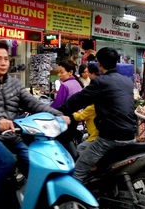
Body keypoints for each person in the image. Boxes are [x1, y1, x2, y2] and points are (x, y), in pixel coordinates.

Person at [0, 41, 67, 209]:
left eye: (6, 59)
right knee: (7, 162)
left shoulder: (15, 84)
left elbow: (33, 103)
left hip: (12, 136)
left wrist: (59, 115)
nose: (3, 63)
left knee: (36, 164)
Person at [59, 47, 137, 183]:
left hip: (110, 138)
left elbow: (79, 100)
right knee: (85, 149)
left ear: (99, 64)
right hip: (131, 135)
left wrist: (58, 111)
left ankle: (76, 201)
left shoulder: (101, 82)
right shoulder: (127, 82)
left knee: (79, 169)